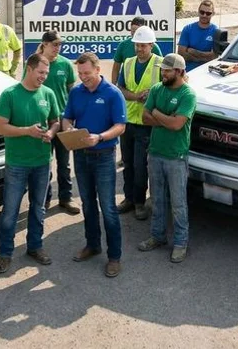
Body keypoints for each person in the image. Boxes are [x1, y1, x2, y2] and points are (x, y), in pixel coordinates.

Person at [0, 53, 60, 274]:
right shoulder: (9, 94)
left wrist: (51, 132)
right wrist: (27, 132)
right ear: (29, 69)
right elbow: (0, 128)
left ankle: (35, 247)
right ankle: (4, 253)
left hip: (42, 161)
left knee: (38, 208)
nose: (44, 77)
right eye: (41, 72)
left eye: (46, 73)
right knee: (10, 211)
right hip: (17, 163)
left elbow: (55, 121)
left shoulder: (48, 94)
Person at [62, 52, 127, 278]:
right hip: (81, 155)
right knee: (88, 204)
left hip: (104, 156)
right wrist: (68, 128)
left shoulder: (112, 94)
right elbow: (67, 117)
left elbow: (120, 126)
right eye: (80, 74)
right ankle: (93, 245)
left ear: (98, 70)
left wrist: (100, 136)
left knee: (108, 207)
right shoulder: (76, 92)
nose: (83, 78)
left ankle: (115, 256)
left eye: (87, 73)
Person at [138, 54, 197, 263]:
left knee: (178, 203)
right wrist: (166, 117)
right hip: (155, 152)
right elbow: (144, 118)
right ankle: (157, 236)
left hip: (176, 156)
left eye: (167, 70)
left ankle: (181, 243)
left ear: (180, 72)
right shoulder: (157, 89)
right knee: (157, 198)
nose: (163, 73)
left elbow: (177, 125)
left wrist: (156, 111)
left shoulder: (187, 94)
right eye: (162, 70)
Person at [29, 31, 80, 214]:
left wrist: (72, 116)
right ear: (44, 44)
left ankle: (66, 198)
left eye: (60, 44)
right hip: (42, 122)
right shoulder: (35, 64)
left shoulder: (65, 64)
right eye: (54, 44)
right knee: (44, 163)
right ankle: (44, 199)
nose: (58, 48)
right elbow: (27, 90)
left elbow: (72, 92)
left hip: (62, 120)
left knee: (64, 163)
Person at [117, 26, 163, 220]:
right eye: (137, 45)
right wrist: (136, 96)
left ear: (151, 45)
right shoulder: (127, 63)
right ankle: (128, 198)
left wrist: (153, 96)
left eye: (143, 45)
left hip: (146, 124)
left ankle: (139, 202)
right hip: (127, 121)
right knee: (127, 163)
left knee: (140, 165)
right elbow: (120, 88)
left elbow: (171, 88)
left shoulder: (160, 64)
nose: (139, 49)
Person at [111, 16, 163, 85]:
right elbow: (116, 68)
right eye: (133, 31)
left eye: (143, 45)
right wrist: (114, 86)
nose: (139, 49)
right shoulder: (123, 45)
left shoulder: (155, 48)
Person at [177, 0, 219, 72]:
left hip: (207, 73)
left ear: (213, 14)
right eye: (202, 12)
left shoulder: (216, 31)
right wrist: (205, 56)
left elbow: (214, 57)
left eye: (208, 13)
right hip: (188, 72)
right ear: (198, 12)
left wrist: (193, 52)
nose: (204, 15)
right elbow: (182, 54)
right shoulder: (188, 29)